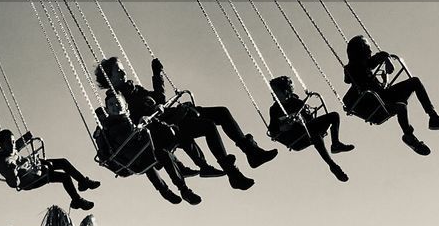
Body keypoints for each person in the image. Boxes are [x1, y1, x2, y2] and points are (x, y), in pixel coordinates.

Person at [96, 55, 275, 191]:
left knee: (222, 112)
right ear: (110, 79)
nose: (124, 72)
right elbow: (139, 121)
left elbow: (159, 98)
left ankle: (251, 151)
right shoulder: (117, 101)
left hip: (175, 115)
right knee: (208, 126)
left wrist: (156, 74)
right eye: (118, 71)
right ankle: (233, 173)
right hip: (167, 127)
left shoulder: (133, 89)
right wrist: (159, 111)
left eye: (122, 69)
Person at [343, 36, 439, 156]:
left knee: (415, 82)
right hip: (375, 107)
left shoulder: (366, 67)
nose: (371, 51)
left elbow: (376, 62)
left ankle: (433, 117)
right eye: (367, 48)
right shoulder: (352, 68)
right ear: (359, 50)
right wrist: (385, 58)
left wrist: (385, 70)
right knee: (401, 107)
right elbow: (363, 67)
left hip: (384, 97)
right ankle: (409, 136)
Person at [94, 90, 202, 205]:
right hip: (130, 158)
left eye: (118, 103)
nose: (115, 106)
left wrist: (145, 120)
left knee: (162, 151)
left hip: (143, 152)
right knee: (156, 156)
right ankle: (173, 189)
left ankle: (181, 187)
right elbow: (122, 139)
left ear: (125, 106)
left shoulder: (128, 120)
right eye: (111, 105)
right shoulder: (108, 126)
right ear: (107, 110)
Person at [267, 76, 353, 182]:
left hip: (306, 131)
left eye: (275, 92)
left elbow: (310, 121)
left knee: (334, 116)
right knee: (313, 134)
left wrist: (300, 119)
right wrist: (283, 127)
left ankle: (335, 144)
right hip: (293, 138)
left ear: (285, 92)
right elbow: (272, 130)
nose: (273, 95)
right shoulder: (274, 109)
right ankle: (332, 164)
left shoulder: (297, 103)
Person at [0, 129, 99, 211]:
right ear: (2, 145)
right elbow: (13, 184)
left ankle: (83, 182)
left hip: (35, 168)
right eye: (9, 143)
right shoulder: (5, 162)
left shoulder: (13, 149)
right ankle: (77, 200)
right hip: (30, 179)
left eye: (12, 141)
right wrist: (13, 172)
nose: (13, 145)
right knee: (64, 176)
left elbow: (19, 144)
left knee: (63, 162)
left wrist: (27, 137)